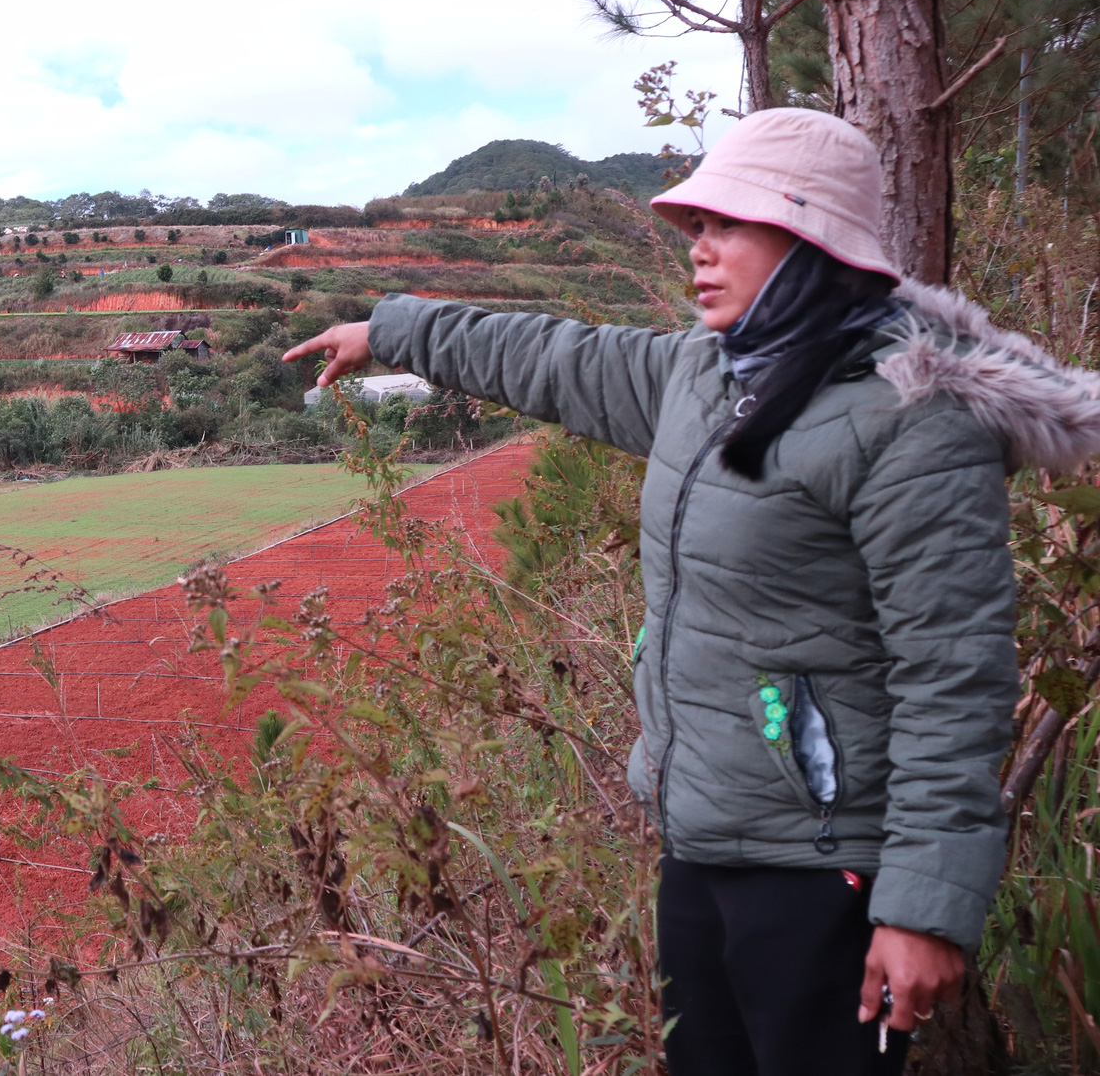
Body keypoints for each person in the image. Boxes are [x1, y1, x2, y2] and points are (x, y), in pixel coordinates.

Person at [284, 108, 1100, 1074]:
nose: (700, 253)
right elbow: (546, 356)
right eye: (695, 230)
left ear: (808, 241)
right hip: (700, 834)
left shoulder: (915, 423)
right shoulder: (704, 376)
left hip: (822, 868)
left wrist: (922, 908)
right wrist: (391, 328)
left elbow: (953, 678)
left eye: (728, 227)